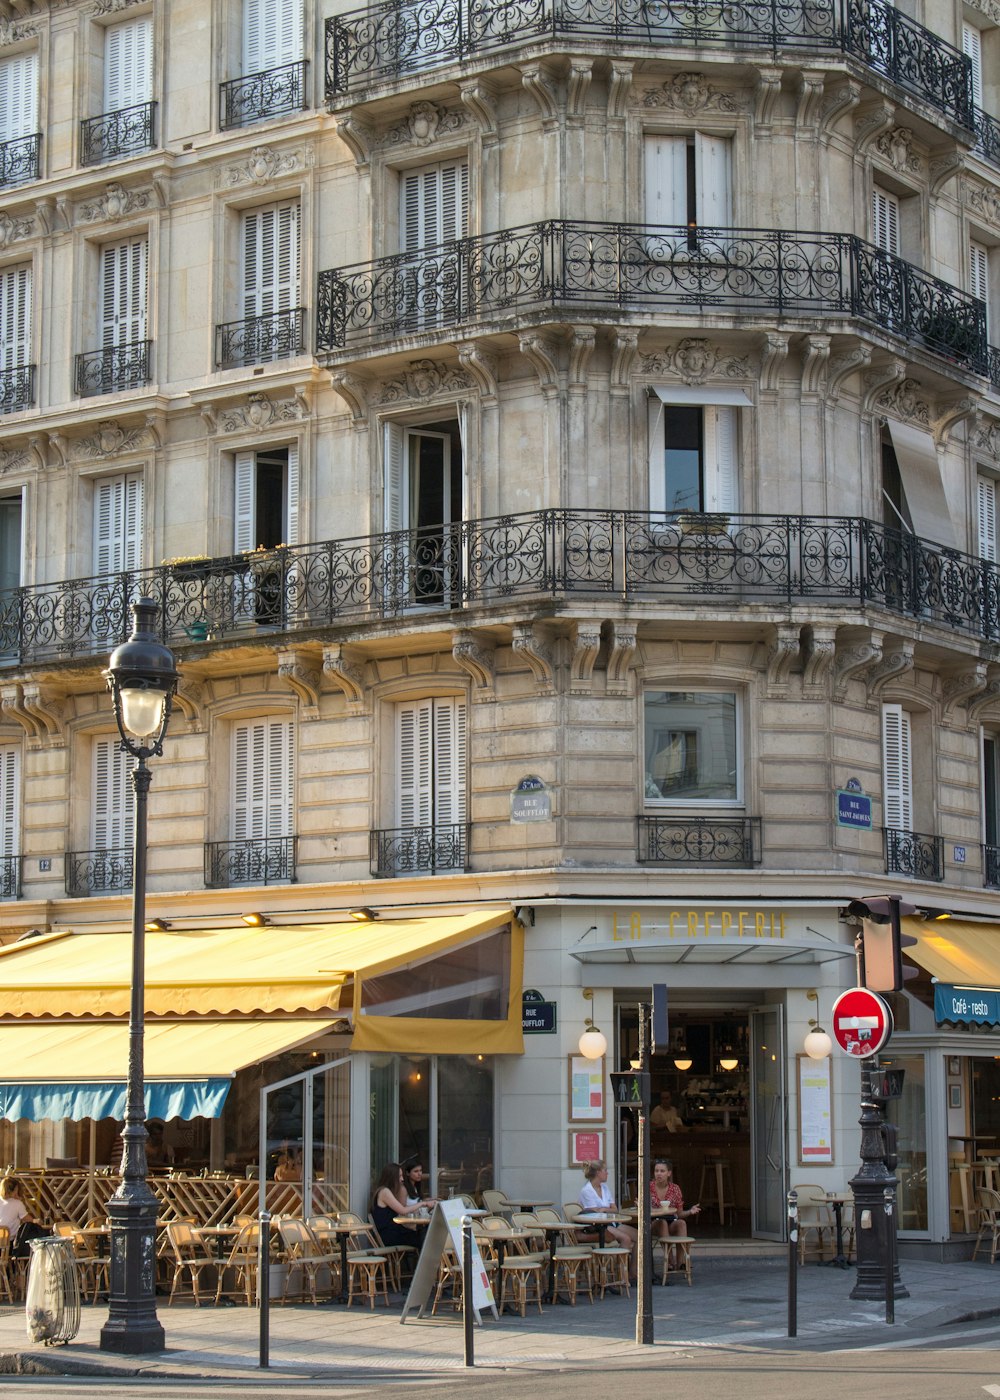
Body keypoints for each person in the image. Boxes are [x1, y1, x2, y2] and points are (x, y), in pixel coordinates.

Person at [576, 1159, 638, 1279]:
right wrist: (605, 1209)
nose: (607, 1173)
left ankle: (633, 1271)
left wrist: (604, 1209)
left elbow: (614, 1208)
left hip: (611, 1222)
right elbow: (594, 1213)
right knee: (626, 1239)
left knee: (640, 1236)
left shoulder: (604, 1188)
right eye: (605, 1170)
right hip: (599, 1226)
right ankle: (621, 1275)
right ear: (598, 1173)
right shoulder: (587, 1191)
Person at [650, 1157, 700, 1268]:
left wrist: (690, 1212)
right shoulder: (648, 1187)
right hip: (653, 1223)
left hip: (671, 1221)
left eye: (662, 1171)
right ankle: (669, 1261)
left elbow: (679, 1214)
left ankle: (681, 1261)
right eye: (656, 1171)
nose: (659, 1174)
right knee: (662, 1222)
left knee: (681, 1223)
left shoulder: (675, 1189)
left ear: (669, 1173)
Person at [371, 1163, 431, 1247]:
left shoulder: (385, 1191)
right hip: (390, 1235)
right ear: (392, 1177)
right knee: (425, 1237)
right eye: (399, 1176)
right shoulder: (384, 1192)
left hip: (394, 1232)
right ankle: (425, 1259)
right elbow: (402, 1210)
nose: (402, 1179)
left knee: (424, 1235)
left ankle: (419, 1258)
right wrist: (422, 1203)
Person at [0, 1177, 47, 1259]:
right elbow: (28, 1219)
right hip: (8, 1243)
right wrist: (37, 1221)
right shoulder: (17, 1204)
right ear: (15, 1190)